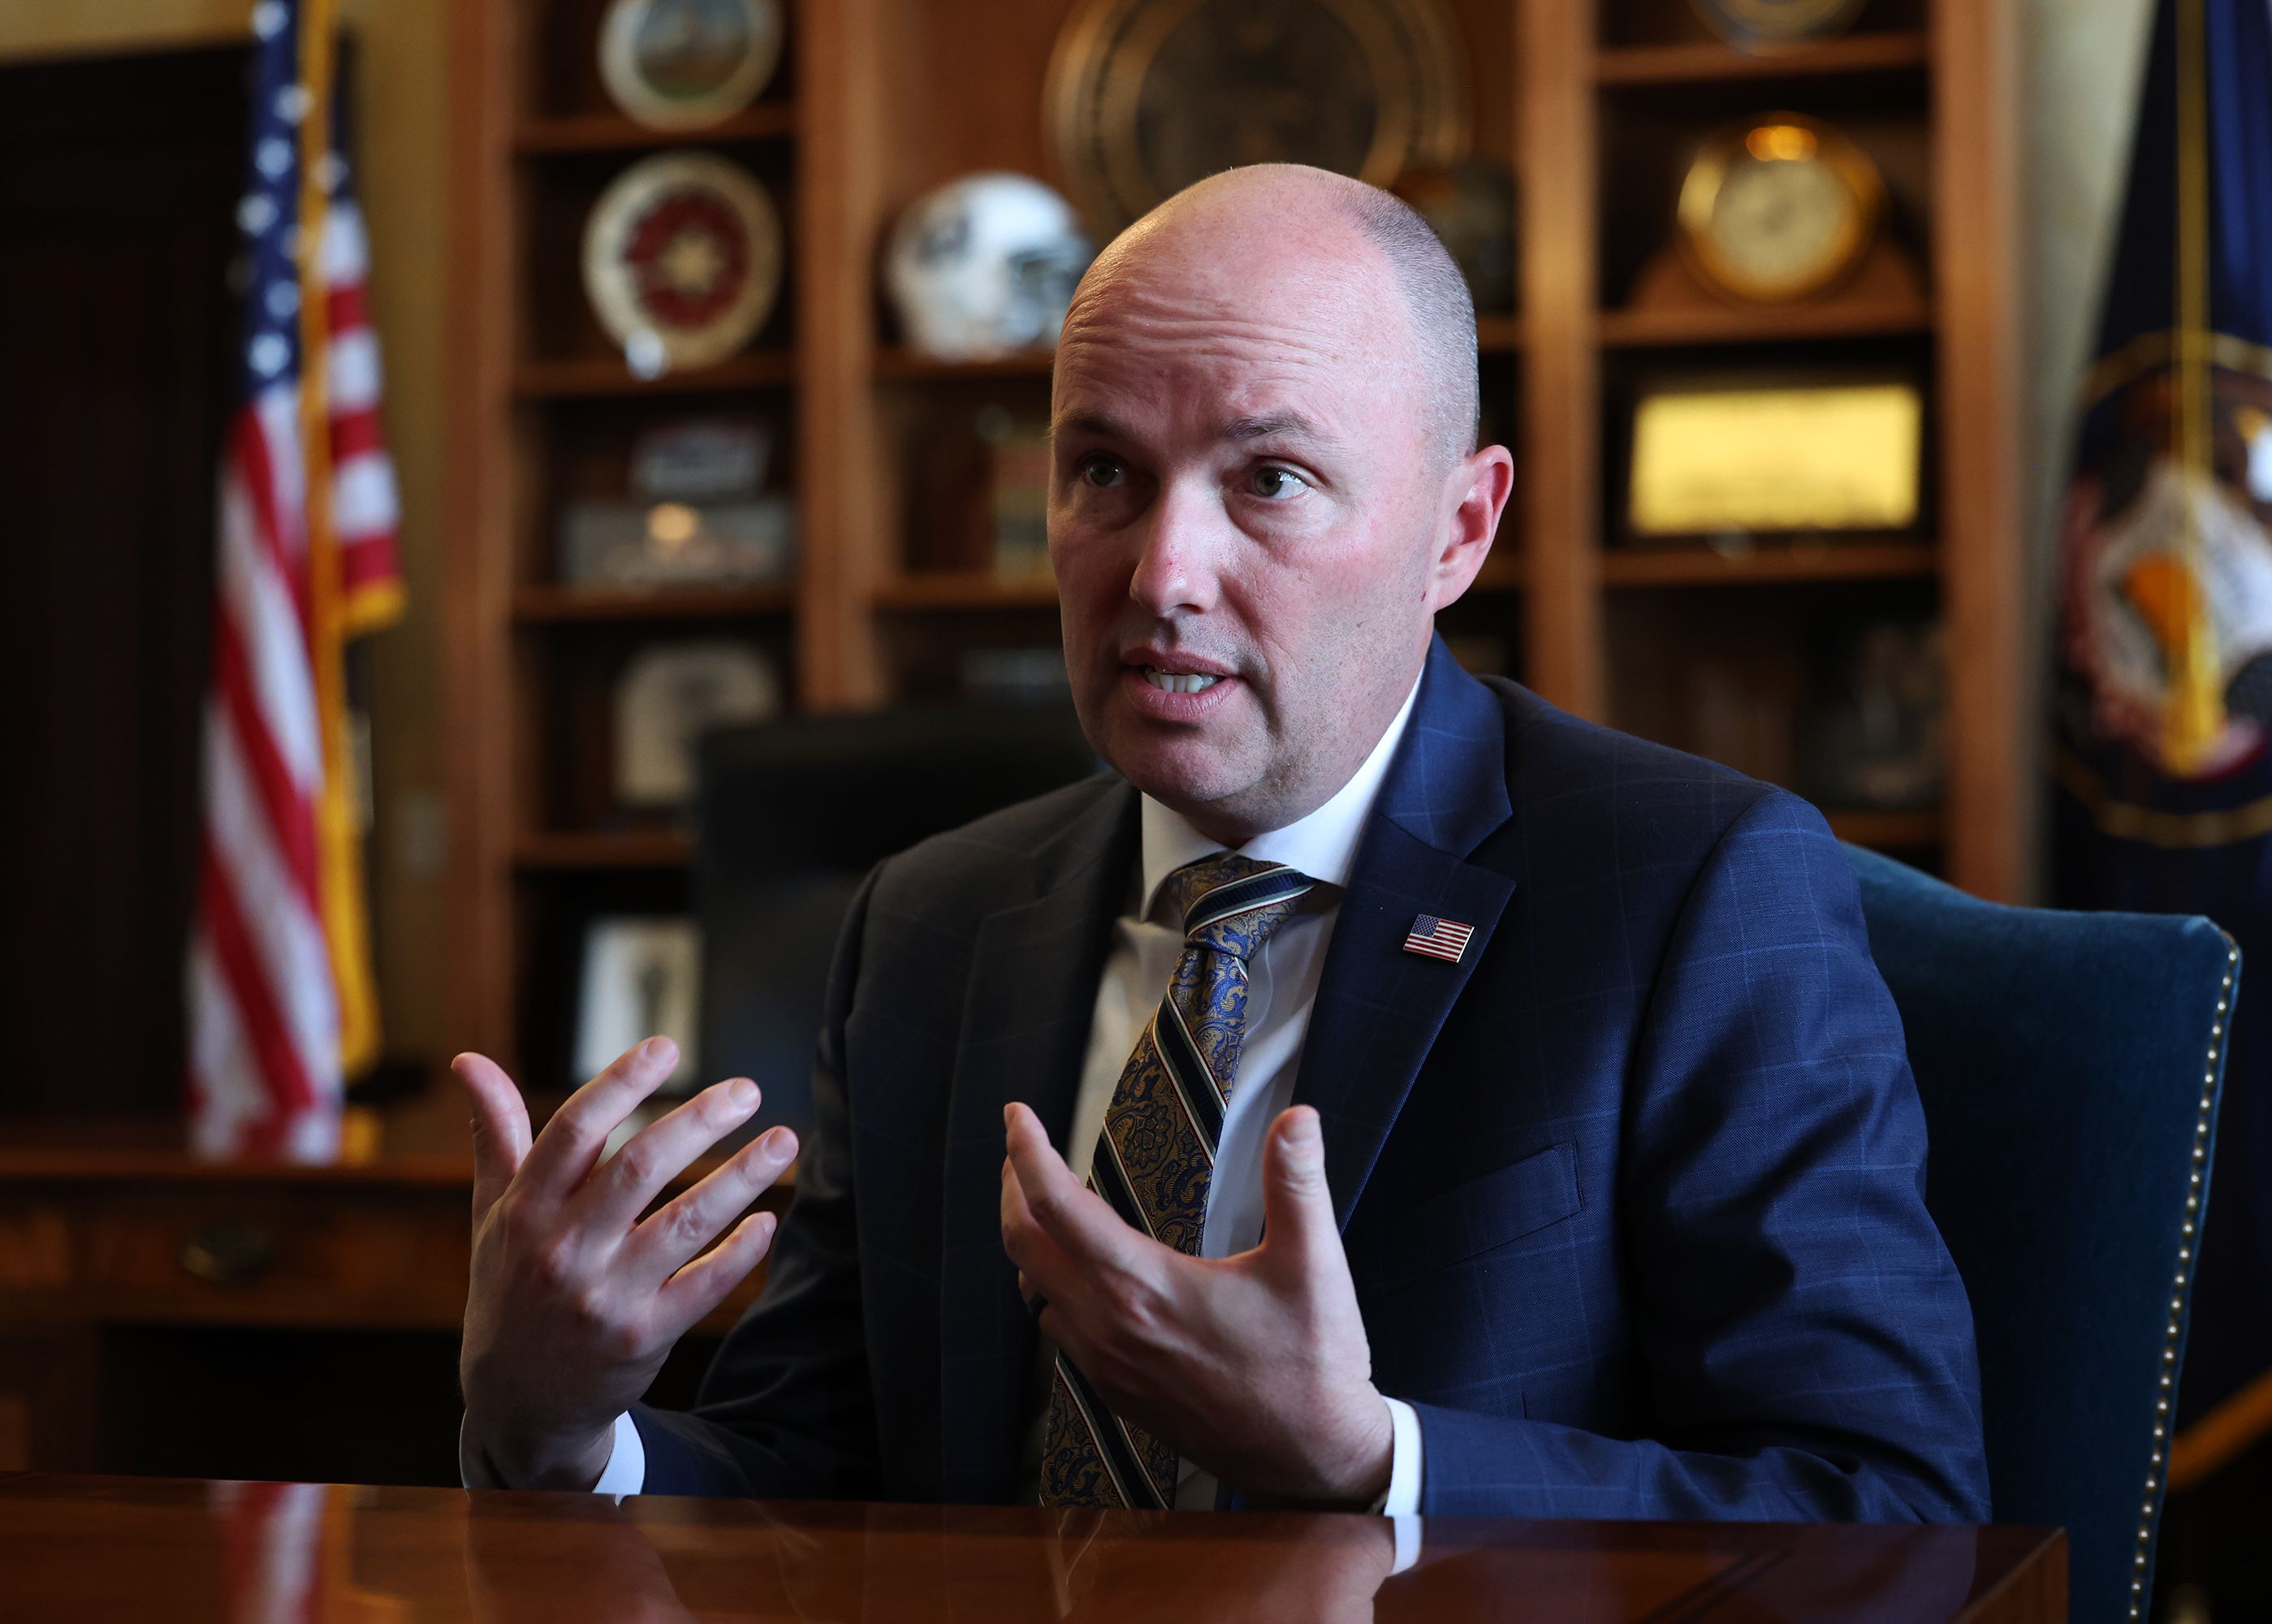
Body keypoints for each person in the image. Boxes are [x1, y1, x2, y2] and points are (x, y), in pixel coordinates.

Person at [455, 163, 1990, 1520]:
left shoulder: (1691, 896)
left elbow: (1889, 1509)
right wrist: (565, 1431)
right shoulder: (928, 921)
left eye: (1271, 479)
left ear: (1461, 530)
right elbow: (824, 1481)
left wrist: (1370, 1459)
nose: (1162, 571)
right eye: (1104, 473)